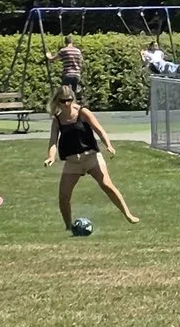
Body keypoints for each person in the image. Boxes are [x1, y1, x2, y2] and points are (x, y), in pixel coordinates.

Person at [45, 84, 136, 230]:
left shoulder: (82, 112)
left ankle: (128, 214)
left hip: (91, 157)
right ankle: (69, 226)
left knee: (107, 185)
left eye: (69, 100)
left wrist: (108, 145)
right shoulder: (57, 119)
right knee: (63, 196)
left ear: (73, 99)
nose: (66, 104)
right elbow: (53, 141)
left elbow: (99, 130)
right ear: (57, 101)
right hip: (72, 161)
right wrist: (50, 157)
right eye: (62, 101)